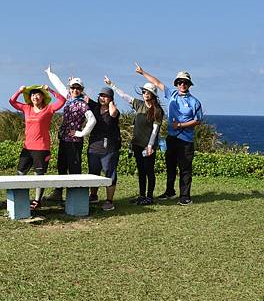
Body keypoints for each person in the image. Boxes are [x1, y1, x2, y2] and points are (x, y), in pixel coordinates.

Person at [134, 62, 203, 205]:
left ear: (189, 85)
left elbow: (198, 120)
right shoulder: (171, 94)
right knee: (170, 166)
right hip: (171, 138)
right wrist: (143, 72)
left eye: (185, 82)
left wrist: (181, 125)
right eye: (180, 82)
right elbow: (156, 82)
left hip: (186, 141)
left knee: (185, 169)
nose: (182, 84)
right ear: (176, 84)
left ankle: (185, 196)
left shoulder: (194, 102)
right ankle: (170, 192)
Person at [105, 76, 163, 205]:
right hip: (137, 144)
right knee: (141, 171)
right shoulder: (139, 105)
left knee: (149, 171)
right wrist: (112, 84)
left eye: (147, 92)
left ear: (153, 94)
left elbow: (155, 129)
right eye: (143, 92)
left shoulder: (157, 110)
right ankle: (142, 196)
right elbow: (124, 96)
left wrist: (150, 145)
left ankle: (149, 197)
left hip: (148, 146)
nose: (145, 94)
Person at [9, 82, 65, 211]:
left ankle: (37, 200)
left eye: (38, 95)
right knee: (20, 173)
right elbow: (12, 101)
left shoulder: (49, 109)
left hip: (42, 148)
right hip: (27, 147)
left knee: (39, 175)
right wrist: (19, 91)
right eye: (33, 95)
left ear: (42, 97)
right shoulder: (26, 108)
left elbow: (62, 100)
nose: (35, 97)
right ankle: (20, 198)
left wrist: (50, 89)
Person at [44, 66, 96, 202]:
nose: (75, 90)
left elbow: (92, 120)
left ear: (81, 90)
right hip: (64, 139)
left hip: (74, 142)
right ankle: (58, 192)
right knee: (61, 166)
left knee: (74, 168)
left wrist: (80, 133)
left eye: (78, 88)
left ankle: (75, 196)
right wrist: (50, 73)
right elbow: (59, 85)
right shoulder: (68, 97)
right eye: (73, 88)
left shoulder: (82, 104)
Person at [85, 85, 121, 211]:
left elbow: (113, 113)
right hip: (94, 146)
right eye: (101, 95)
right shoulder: (94, 107)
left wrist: (110, 103)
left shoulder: (114, 110)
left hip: (109, 148)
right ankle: (93, 195)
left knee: (109, 173)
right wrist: (72, 82)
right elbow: (83, 96)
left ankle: (109, 200)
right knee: (93, 172)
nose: (102, 98)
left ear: (111, 98)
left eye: (106, 96)